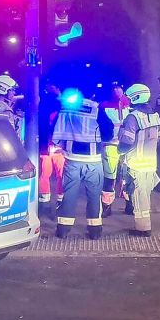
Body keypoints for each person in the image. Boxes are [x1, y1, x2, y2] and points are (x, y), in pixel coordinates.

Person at [52, 89, 113, 240]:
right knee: (94, 195)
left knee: (69, 194)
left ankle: (63, 230)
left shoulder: (67, 108)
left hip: (72, 159)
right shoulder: (96, 108)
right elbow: (108, 133)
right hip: (93, 161)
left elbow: (57, 131)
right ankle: (95, 231)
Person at [118, 83, 160, 237]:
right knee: (145, 195)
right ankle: (145, 226)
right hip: (151, 163)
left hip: (136, 163)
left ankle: (143, 228)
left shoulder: (133, 117)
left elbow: (127, 140)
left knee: (138, 197)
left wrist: (120, 152)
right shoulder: (155, 116)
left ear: (134, 98)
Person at [101, 83, 130, 218]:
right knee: (109, 178)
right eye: (114, 88)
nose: (117, 90)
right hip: (110, 145)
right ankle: (107, 206)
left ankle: (130, 205)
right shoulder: (104, 106)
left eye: (119, 87)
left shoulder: (129, 104)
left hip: (126, 145)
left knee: (126, 176)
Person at [38, 82, 65, 213]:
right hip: (47, 147)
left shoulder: (62, 108)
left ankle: (59, 201)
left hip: (57, 148)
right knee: (45, 174)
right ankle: (45, 203)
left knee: (61, 175)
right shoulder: (44, 105)